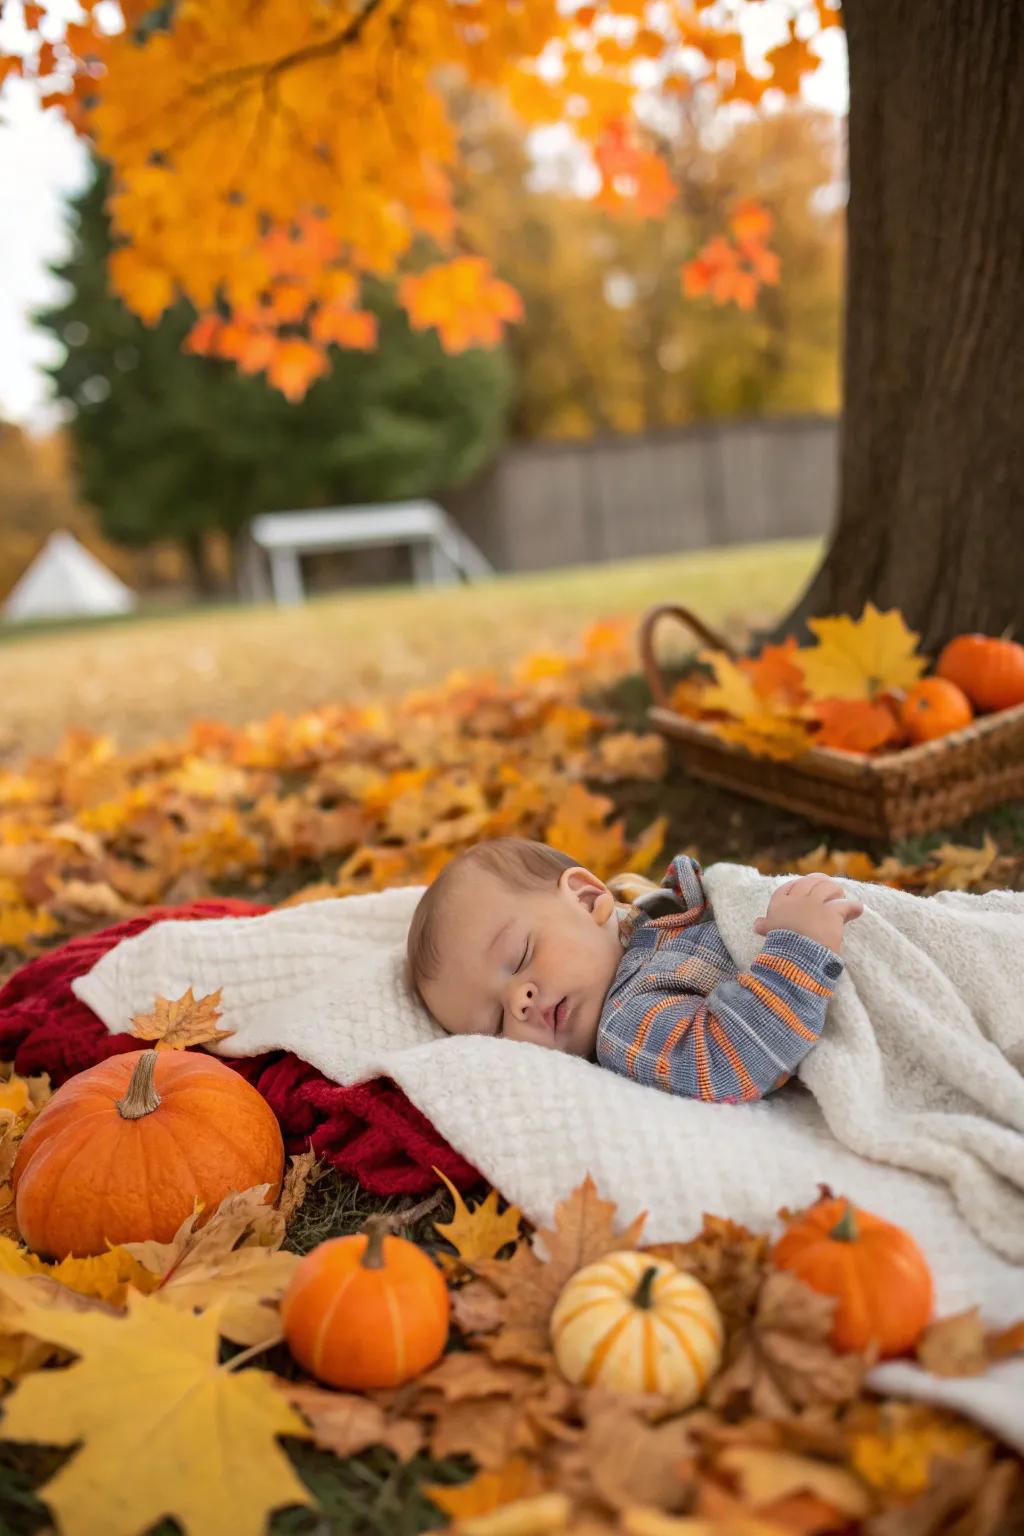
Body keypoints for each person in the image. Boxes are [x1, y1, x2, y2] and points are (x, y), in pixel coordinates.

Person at [406, 837, 863, 1103]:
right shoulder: (625, 1026)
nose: (518, 1001)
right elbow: (727, 1060)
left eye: (521, 954)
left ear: (587, 899)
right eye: (494, 1024)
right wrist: (799, 948)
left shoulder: (648, 920)